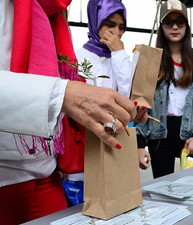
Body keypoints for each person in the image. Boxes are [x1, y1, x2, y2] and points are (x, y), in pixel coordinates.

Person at [0, 1, 146, 224]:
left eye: (121, 27)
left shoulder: (55, 18)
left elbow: (128, 97)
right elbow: (66, 101)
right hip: (11, 168)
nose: (115, 32)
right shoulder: (79, 55)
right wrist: (63, 95)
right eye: (109, 24)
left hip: (46, 165)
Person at [135, 0, 193, 178]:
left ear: (187, 27)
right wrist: (139, 144)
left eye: (180, 22)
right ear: (161, 26)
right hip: (159, 138)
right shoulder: (150, 62)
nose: (174, 27)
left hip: (191, 137)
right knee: (163, 191)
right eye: (168, 22)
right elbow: (140, 103)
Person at [76, 0, 133, 98]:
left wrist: (119, 53)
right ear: (96, 22)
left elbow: (130, 97)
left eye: (121, 27)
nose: (117, 32)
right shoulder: (76, 57)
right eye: (110, 25)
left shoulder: (122, 60)